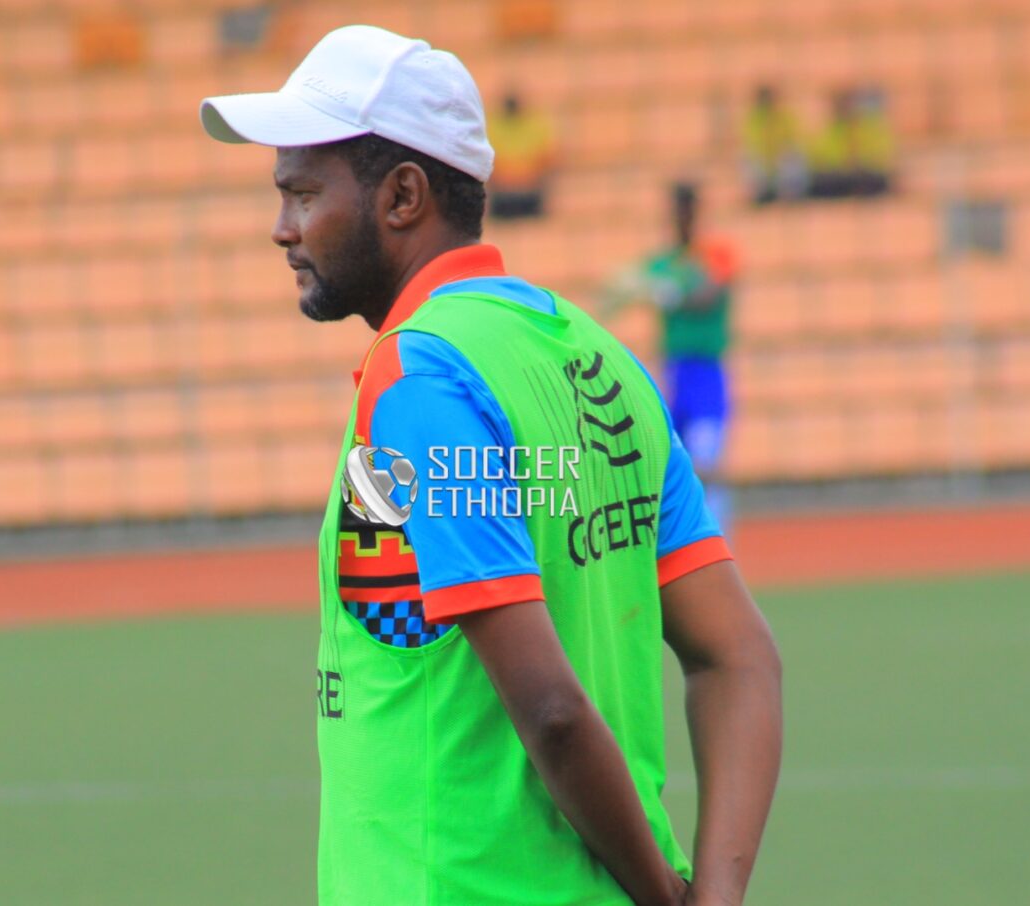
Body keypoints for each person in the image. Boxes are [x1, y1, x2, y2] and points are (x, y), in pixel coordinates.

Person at [201, 25, 781, 906]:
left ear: (402, 196)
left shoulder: (420, 374)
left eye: (304, 194)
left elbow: (552, 710)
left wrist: (666, 899)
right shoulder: (601, 357)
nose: (282, 229)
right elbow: (741, 657)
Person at [610, 184, 737, 533]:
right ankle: (685, 541)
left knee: (707, 461)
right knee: (677, 463)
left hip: (706, 372)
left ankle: (718, 538)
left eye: (686, 211)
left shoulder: (716, 255)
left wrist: (664, 291)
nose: (681, 219)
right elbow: (621, 291)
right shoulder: (662, 263)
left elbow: (706, 297)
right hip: (674, 372)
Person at [805, 87, 895, 199]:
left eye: (849, 104)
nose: (846, 109)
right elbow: (821, 159)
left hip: (863, 174)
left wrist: (859, 159)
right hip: (840, 176)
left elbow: (881, 158)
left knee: (872, 179)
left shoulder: (869, 126)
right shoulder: (832, 128)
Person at [487, 90, 557, 219]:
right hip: (501, 192)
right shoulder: (492, 125)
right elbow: (488, 162)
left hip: (531, 189)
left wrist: (524, 176)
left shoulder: (536, 125)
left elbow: (546, 158)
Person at [740, 84, 805, 205]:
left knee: (791, 158)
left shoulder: (783, 118)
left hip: (779, 162)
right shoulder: (754, 121)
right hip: (763, 164)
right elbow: (753, 146)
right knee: (748, 160)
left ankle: (790, 196)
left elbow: (790, 143)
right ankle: (759, 194)